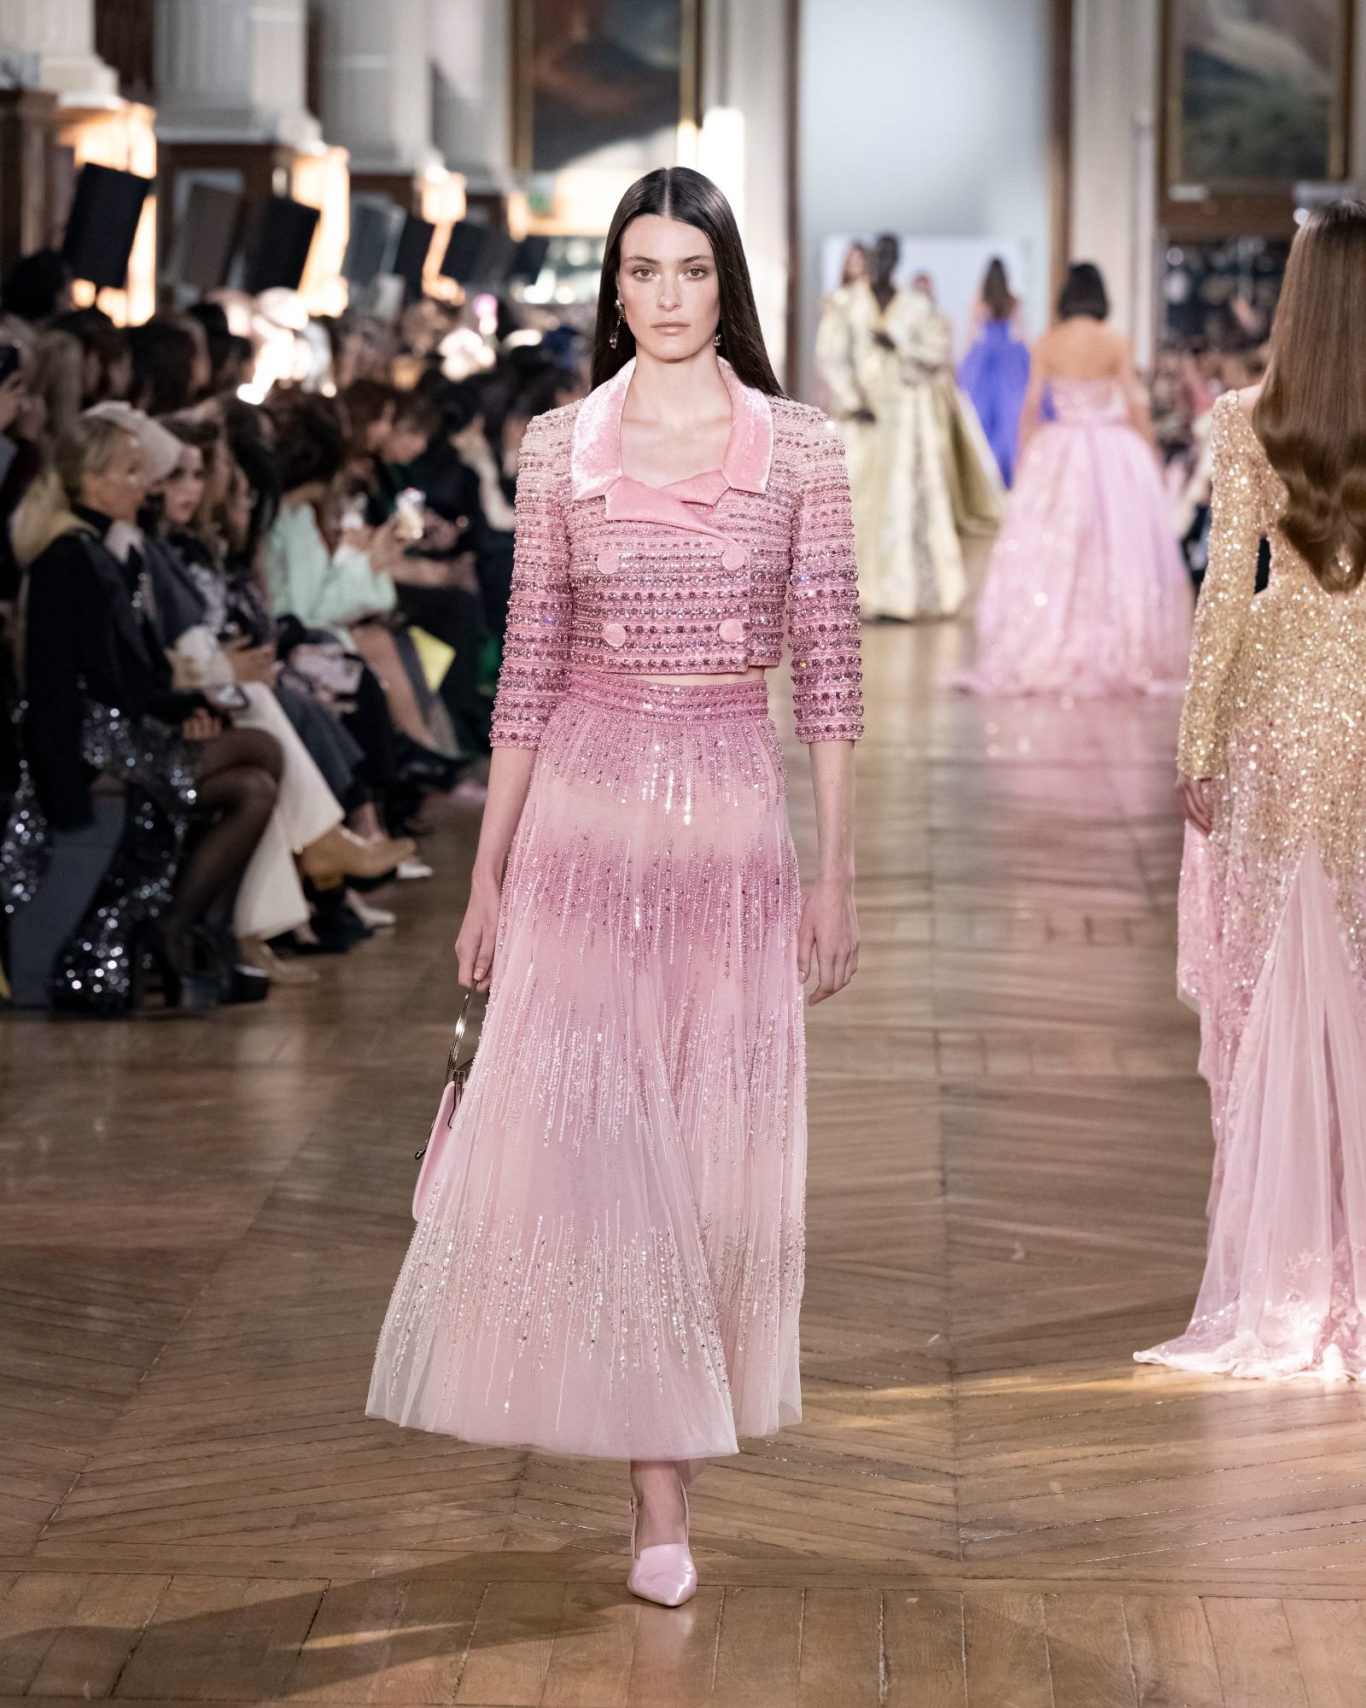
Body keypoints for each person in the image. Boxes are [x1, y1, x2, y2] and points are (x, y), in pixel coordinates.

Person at [367, 166, 862, 1608]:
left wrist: (838, 872)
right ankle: (657, 1505)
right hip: (581, 823)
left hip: (727, 825)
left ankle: (670, 1490)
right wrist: (486, 875)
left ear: (727, 284)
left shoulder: (801, 450)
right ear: (611, 289)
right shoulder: (554, 446)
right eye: (638, 271)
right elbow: (522, 674)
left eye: (688, 271)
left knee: (705, 1157)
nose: (662, 295)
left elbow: (829, 671)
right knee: (602, 1154)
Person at [1136, 201, 1366, 1382]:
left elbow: (1226, 590)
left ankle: (1290, 1270)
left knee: (1270, 977)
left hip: (1276, 709)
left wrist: (1195, 742)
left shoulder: (1242, 423)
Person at [0, 416, 282, 1011]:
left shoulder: (97, 551)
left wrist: (185, 708)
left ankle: (190, 932)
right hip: (90, 744)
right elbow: (57, 687)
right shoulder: (67, 558)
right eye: (131, 471)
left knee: (255, 780)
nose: (146, 485)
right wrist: (63, 792)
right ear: (90, 482)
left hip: (115, 729)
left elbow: (130, 677)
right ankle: (179, 932)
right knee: (260, 759)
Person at [953, 262, 1191, 695]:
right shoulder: (1115, 342)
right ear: (1101, 297)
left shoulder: (1047, 343)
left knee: (1052, 550)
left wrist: (1026, 461)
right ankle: (1120, 640)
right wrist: (1151, 452)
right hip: (1114, 451)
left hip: (1058, 451)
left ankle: (1050, 638)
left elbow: (1029, 408)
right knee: (1117, 548)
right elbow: (1135, 405)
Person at [814, 233, 965, 619]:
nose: (882, 263)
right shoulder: (847, 303)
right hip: (862, 420)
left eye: (889, 256)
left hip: (904, 421)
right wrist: (852, 401)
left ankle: (900, 594)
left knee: (901, 500)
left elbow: (935, 354)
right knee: (855, 500)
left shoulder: (916, 306)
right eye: (877, 256)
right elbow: (831, 355)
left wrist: (898, 345)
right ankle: (852, 592)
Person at [958, 257, 1031, 487]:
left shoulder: (979, 300)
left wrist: (965, 365)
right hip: (1010, 359)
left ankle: (985, 473)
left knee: (981, 417)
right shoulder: (1014, 300)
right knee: (1010, 415)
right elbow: (1021, 334)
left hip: (984, 358)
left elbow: (971, 335)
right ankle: (1007, 471)